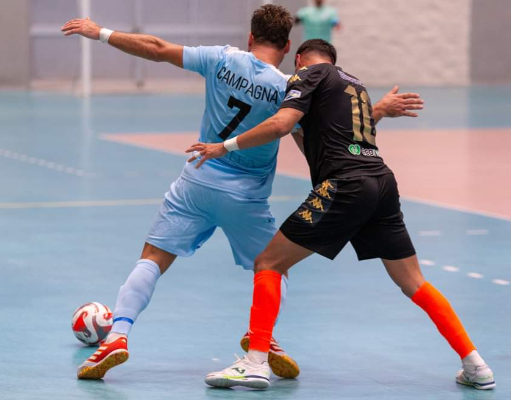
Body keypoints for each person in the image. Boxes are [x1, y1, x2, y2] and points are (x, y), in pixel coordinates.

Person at [61, 7, 424, 381]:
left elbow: (156, 48)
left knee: (153, 257)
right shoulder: (289, 88)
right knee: (275, 267)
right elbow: (323, 141)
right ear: (287, 47)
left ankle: (117, 336)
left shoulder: (220, 59)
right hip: (247, 198)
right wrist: (377, 111)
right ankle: (261, 338)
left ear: (250, 37)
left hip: (197, 181)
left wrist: (99, 31)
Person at [188, 39, 495, 391]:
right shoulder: (354, 84)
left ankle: (255, 363)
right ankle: (476, 364)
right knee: (414, 281)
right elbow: (334, 136)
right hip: (381, 182)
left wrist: (223, 146)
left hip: (344, 186)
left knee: (269, 263)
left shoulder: (307, 75)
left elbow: (282, 124)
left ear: (299, 59)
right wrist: (379, 110)